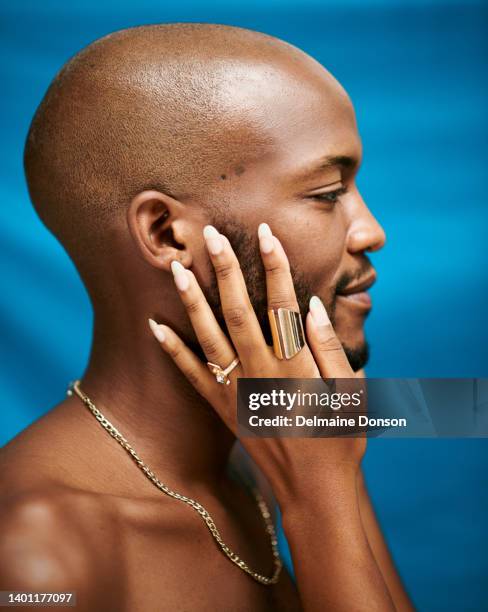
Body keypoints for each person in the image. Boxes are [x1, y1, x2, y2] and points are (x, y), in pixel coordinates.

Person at [0, 23, 413, 611]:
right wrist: (318, 499)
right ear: (167, 234)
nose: (372, 231)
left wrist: (328, 460)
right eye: (326, 192)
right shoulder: (34, 550)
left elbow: (457, 409)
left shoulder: (276, 447)